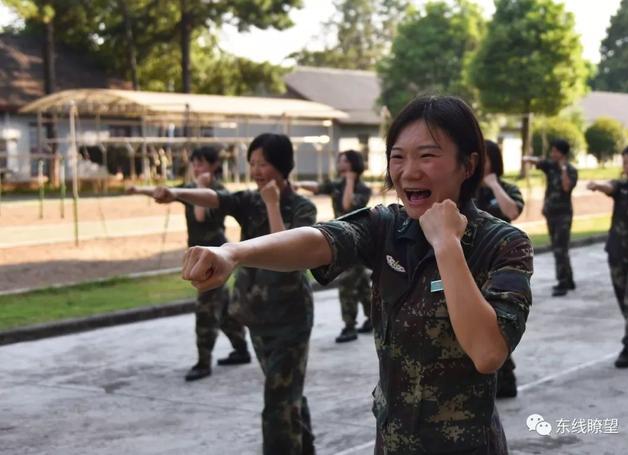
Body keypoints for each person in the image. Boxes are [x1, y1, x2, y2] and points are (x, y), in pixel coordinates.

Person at [182, 96, 534, 454]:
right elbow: (319, 239)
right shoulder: (388, 226)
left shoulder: (502, 244)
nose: (409, 171)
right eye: (398, 156)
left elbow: (488, 351)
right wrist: (233, 253)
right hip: (392, 443)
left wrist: (446, 245)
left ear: (468, 164)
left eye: (427, 155)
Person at [155, 133, 317, 455]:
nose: (257, 170)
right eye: (252, 164)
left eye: (264, 164)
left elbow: (289, 250)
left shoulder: (302, 208)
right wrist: (176, 193)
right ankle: (306, 447)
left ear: (282, 167)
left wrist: (272, 204)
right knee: (285, 393)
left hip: (290, 318)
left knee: (277, 402)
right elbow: (215, 198)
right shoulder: (248, 200)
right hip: (256, 314)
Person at [127, 146, 250, 381]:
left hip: (214, 259)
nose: (196, 168)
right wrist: (139, 190)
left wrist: (202, 186)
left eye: (201, 163)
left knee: (206, 311)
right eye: (194, 163)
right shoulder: (193, 188)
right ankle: (241, 349)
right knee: (222, 310)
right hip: (200, 257)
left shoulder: (217, 192)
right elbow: (166, 192)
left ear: (214, 165)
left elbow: (201, 215)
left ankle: (203, 362)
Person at [295, 150, 373, 342]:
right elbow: (318, 187)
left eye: (343, 160)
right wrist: (298, 184)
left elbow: (348, 205)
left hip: (359, 239)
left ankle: (349, 327)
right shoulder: (336, 184)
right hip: (341, 237)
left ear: (353, 164)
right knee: (362, 284)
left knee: (347, 284)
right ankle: (372, 318)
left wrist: (350, 181)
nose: (339, 163)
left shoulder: (363, 189)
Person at [476, 140, 525, 399]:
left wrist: (494, 184)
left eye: (485, 157)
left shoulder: (506, 188)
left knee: (499, 324)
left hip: (500, 268)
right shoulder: (465, 190)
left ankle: (506, 377)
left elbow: (513, 212)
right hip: (470, 265)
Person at [587, 144, 628, 368]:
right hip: (617, 251)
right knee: (623, 300)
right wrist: (598, 185)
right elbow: (610, 187)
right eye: (625, 162)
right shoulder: (622, 185)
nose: (627, 166)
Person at [523, 139, 578, 296]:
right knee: (558, 248)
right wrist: (530, 157)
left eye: (555, 151)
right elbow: (533, 161)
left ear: (562, 153)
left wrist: (564, 169)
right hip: (551, 213)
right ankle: (569, 280)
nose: (552, 154)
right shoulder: (551, 167)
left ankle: (563, 283)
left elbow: (567, 186)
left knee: (561, 249)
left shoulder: (571, 170)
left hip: (563, 215)